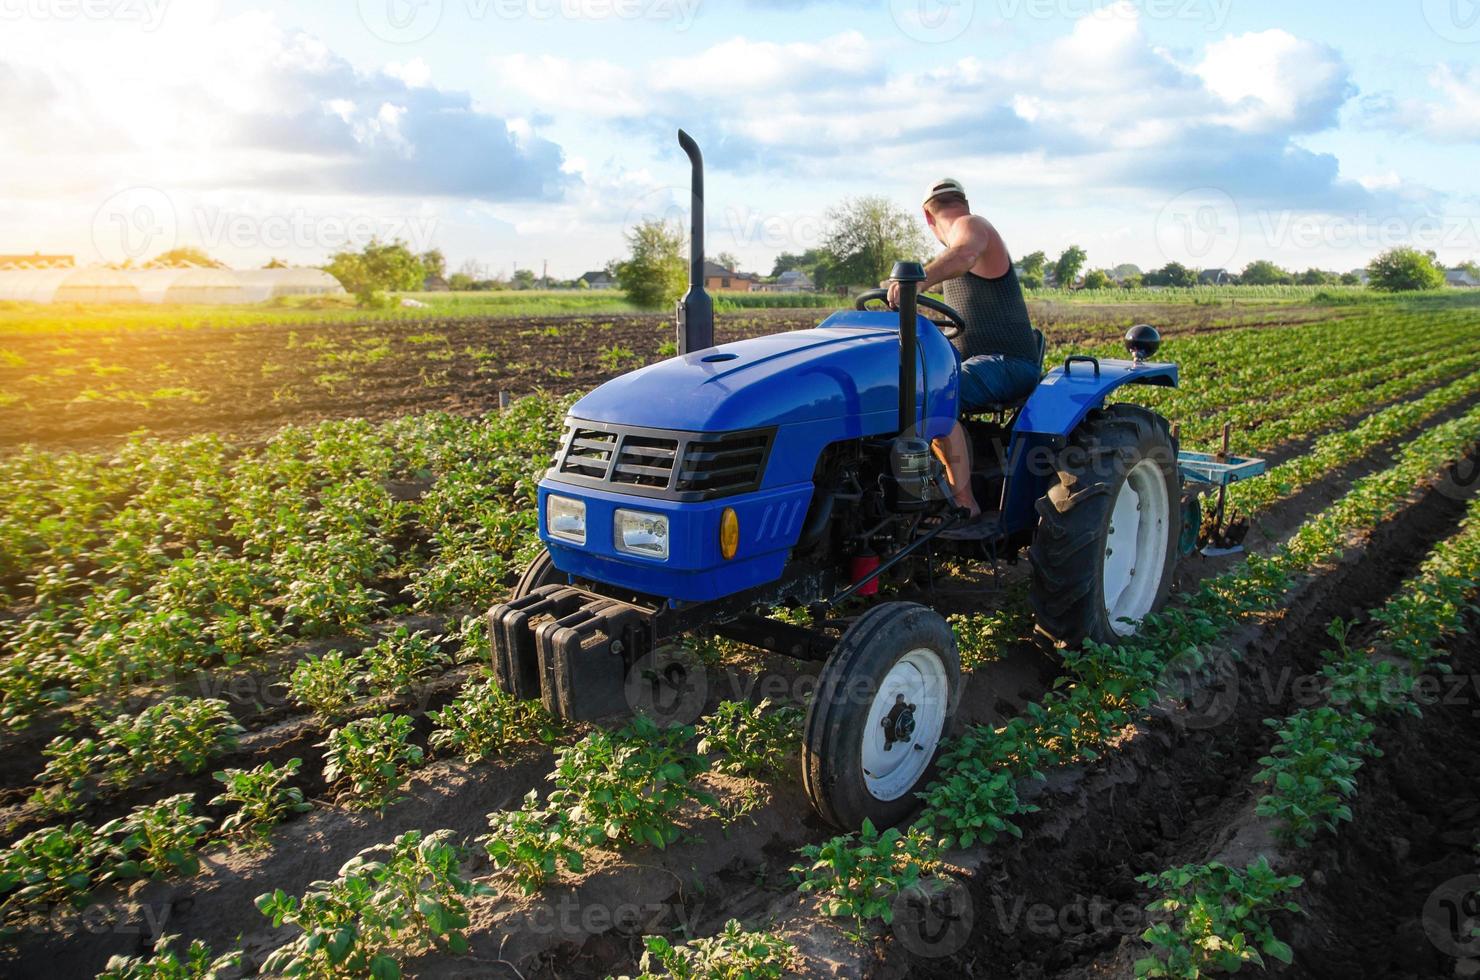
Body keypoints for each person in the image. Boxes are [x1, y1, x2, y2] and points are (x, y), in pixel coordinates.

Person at [886, 178, 1041, 526]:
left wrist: (916, 281)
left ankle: (963, 502)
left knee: (934, 394)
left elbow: (963, 254)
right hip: (973, 364)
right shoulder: (951, 257)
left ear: (928, 217)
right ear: (963, 201)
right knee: (898, 387)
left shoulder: (971, 227)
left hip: (1010, 363)